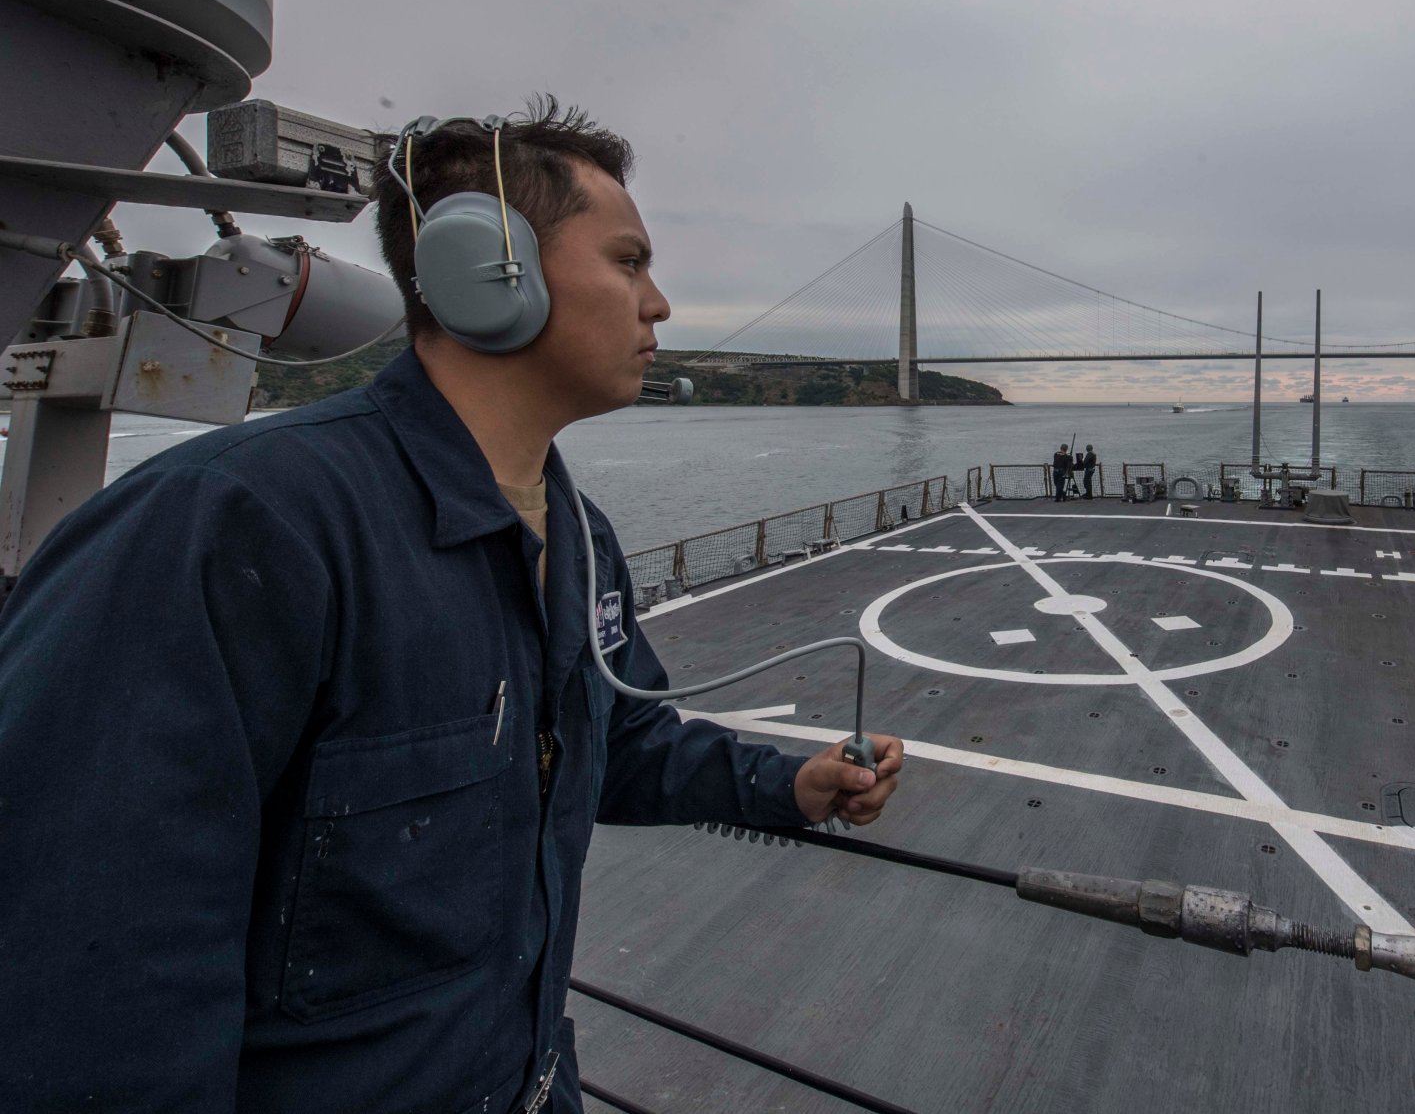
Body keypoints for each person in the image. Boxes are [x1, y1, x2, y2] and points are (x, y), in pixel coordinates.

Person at [0, 99, 906, 1113]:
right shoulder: (233, 526)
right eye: (628, 260)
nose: (658, 304)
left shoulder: (580, 535)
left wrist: (789, 784)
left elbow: (617, 739)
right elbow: (95, 972)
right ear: (488, 269)